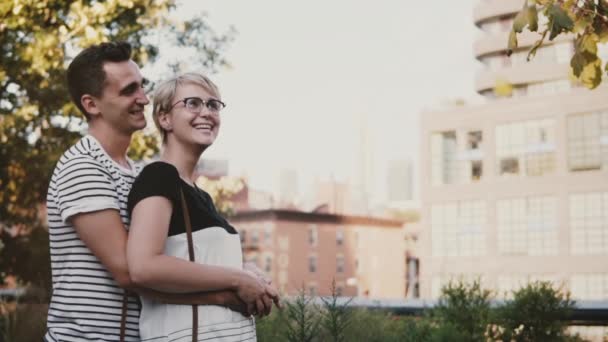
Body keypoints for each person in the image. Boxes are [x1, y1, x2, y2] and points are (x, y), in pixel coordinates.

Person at [45, 42, 270, 342]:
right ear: (91, 104)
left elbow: (173, 259)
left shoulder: (139, 172)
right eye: (129, 91)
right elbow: (131, 273)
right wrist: (223, 293)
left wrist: (243, 269)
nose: (144, 98)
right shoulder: (83, 167)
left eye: (142, 86)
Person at [126, 72, 278, 341]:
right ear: (165, 118)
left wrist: (248, 270)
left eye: (213, 105)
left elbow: (195, 257)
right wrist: (237, 278)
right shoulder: (159, 176)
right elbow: (143, 267)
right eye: (193, 103)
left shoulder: (200, 195)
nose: (206, 112)